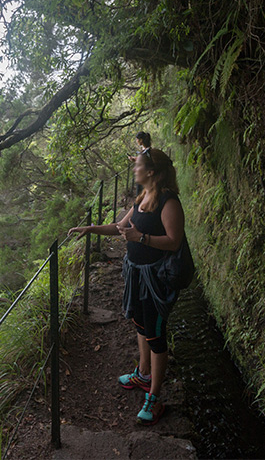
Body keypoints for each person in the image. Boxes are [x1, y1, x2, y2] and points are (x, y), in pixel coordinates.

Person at [69, 148, 184, 425]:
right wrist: (92, 229)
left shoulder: (169, 202)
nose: (134, 169)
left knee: (156, 335)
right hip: (136, 275)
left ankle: (155, 399)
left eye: (139, 166)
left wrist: (141, 238)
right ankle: (144, 374)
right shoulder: (143, 198)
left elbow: (174, 241)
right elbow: (120, 228)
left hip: (156, 280)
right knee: (140, 325)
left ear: (152, 172)